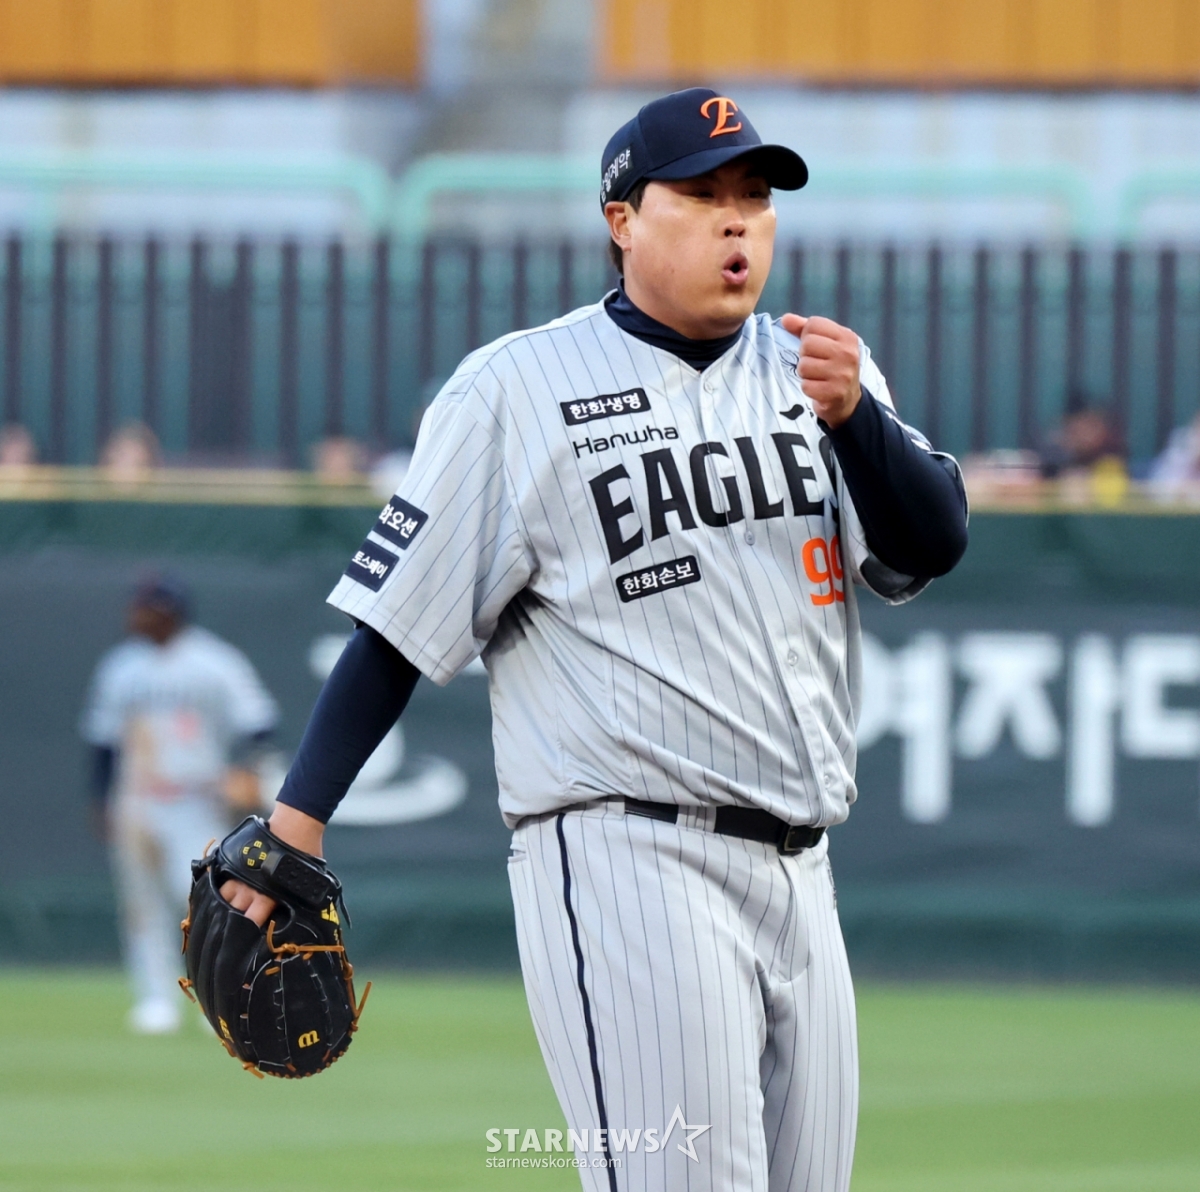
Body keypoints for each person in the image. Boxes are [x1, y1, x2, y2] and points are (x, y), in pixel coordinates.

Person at [219, 88, 967, 1190]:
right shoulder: (515, 389)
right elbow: (395, 627)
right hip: (628, 859)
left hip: (804, 868)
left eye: (755, 198)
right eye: (703, 194)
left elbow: (931, 542)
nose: (737, 222)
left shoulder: (818, 373)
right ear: (622, 217)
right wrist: (298, 820)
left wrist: (858, 420)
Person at [81, 576, 278, 1034]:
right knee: (142, 904)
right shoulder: (121, 667)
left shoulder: (214, 661)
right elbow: (103, 741)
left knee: (205, 904)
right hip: (137, 800)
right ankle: (156, 1000)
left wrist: (246, 772)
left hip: (198, 798)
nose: (137, 616)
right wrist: (100, 799)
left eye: (147, 608)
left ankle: (215, 999)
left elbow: (259, 723)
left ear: (169, 611)